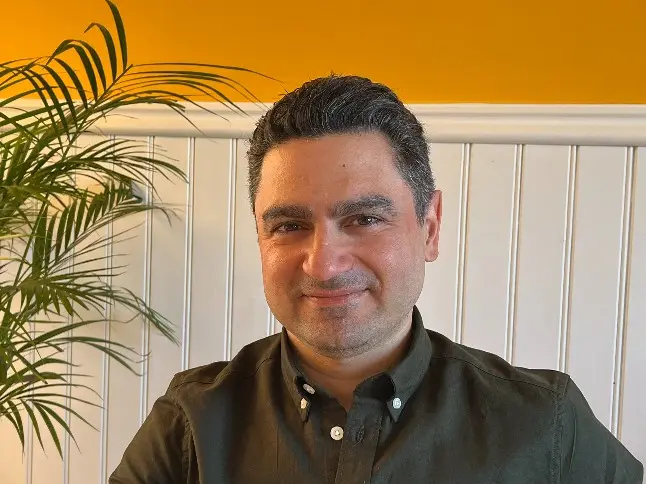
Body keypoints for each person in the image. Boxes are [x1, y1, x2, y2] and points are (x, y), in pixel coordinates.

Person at [109, 75, 644, 484]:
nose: (324, 265)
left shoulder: (545, 425)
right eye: (289, 225)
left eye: (364, 219)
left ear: (429, 227)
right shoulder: (190, 426)